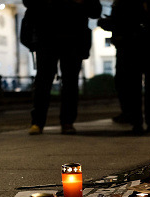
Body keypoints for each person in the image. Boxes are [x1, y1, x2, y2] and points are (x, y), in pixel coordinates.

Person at [23, 0, 102, 135]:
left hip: (72, 38)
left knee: (68, 82)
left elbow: (95, 11)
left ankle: (66, 121)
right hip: (47, 37)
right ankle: (39, 122)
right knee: (43, 82)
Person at [99, 0, 150, 133]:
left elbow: (116, 21)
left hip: (136, 46)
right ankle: (146, 122)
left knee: (137, 87)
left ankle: (140, 122)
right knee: (146, 87)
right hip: (143, 46)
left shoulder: (124, 3)